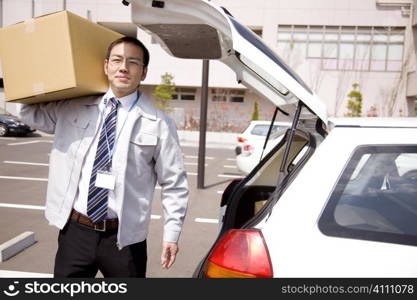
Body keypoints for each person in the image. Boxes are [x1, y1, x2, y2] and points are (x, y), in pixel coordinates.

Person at [18, 36, 189, 277]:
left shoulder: (159, 123)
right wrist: (27, 78)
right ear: (106, 66)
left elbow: (174, 184)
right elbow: (29, 114)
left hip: (125, 239)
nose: (123, 67)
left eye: (133, 62)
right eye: (117, 60)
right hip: (76, 231)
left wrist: (172, 234)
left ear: (143, 73)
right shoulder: (73, 107)